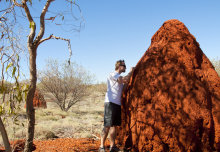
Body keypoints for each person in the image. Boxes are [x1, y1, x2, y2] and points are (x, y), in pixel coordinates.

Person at [99, 60, 134, 152]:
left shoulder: (119, 77)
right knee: (107, 125)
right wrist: (131, 72)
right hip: (110, 102)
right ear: (119, 66)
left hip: (117, 103)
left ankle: (112, 146)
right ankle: (101, 147)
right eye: (124, 66)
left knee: (114, 126)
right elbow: (124, 80)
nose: (125, 67)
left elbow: (124, 85)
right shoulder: (113, 74)